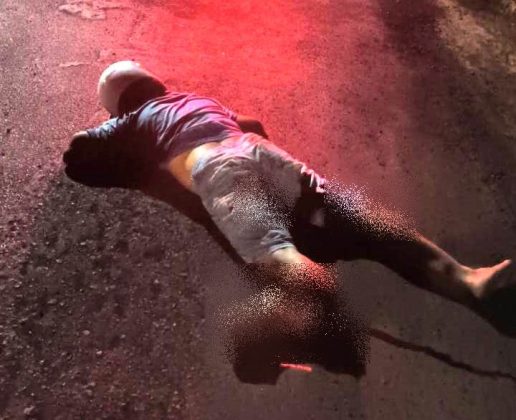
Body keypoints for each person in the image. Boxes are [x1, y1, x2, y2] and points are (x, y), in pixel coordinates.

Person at [63, 61, 513, 381]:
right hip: (263, 156)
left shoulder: (136, 120)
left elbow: (79, 155)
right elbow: (254, 124)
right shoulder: (196, 101)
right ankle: (472, 283)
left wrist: (106, 149)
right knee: (369, 229)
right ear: (156, 82)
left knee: (274, 260)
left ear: (118, 107)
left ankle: (314, 301)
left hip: (218, 167)